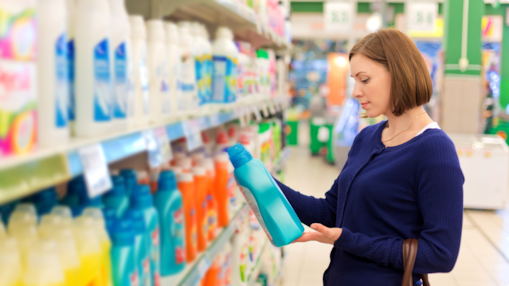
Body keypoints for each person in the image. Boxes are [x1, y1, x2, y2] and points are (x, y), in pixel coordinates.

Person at [274, 28, 464, 285]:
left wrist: (347, 240)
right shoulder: (367, 137)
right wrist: (268, 185)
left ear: (398, 73)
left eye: (364, 80)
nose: (355, 92)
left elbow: (440, 255)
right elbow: (332, 211)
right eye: (354, 80)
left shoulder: (435, 151)